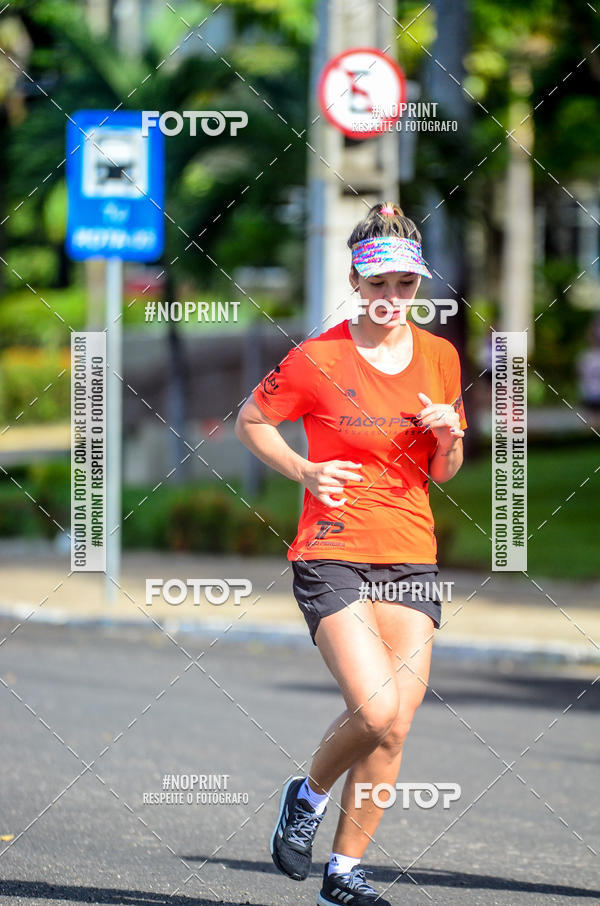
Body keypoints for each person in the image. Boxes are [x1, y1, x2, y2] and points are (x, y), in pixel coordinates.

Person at [234, 201, 467, 906]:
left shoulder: (440, 356)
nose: (393, 299)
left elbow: (443, 470)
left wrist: (451, 434)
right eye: (379, 284)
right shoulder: (319, 357)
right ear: (357, 283)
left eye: (405, 285)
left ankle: (343, 872)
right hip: (332, 549)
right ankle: (305, 797)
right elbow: (252, 418)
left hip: (409, 552)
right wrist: (304, 471)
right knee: (372, 708)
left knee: (396, 724)